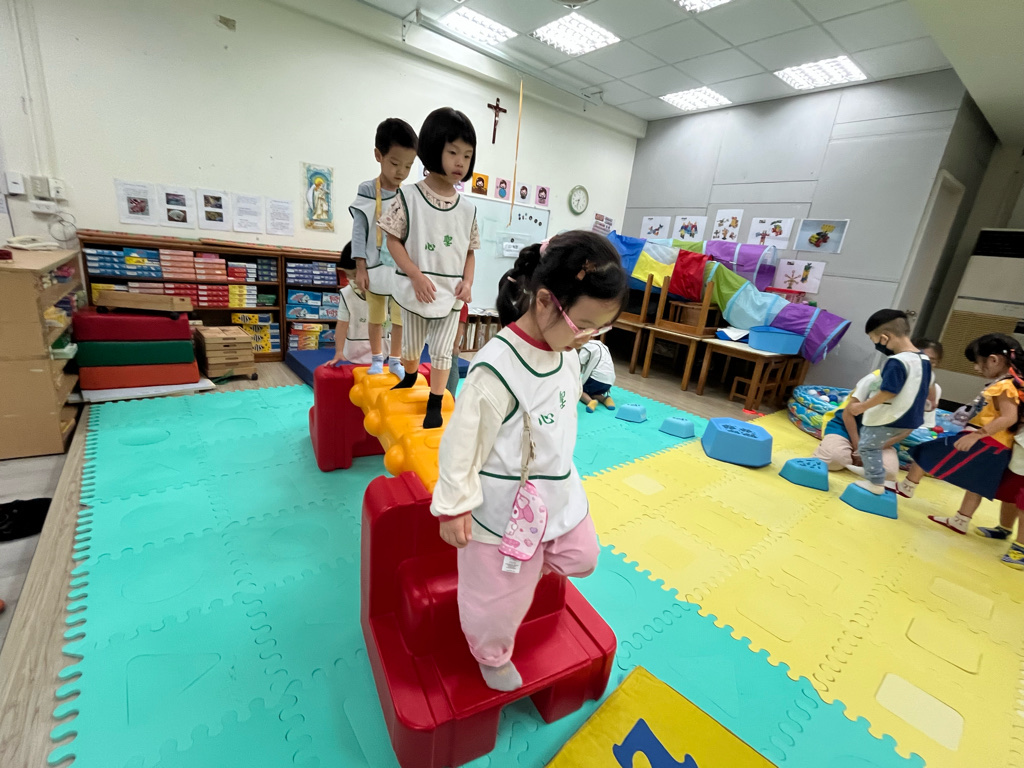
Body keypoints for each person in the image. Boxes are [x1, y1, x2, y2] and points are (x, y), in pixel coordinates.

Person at [431, 231, 628, 692]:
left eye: (599, 330)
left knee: (584, 557)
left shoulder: (565, 351)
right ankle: (490, 654)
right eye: (583, 325)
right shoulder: (495, 369)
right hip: (503, 506)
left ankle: (530, 560)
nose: (587, 339)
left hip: (554, 491)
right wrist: (454, 505)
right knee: (493, 604)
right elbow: (461, 446)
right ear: (544, 301)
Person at [378, 107, 478, 429]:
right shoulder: (408, 196)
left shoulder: (468, 209)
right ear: (434, 149)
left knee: (442, 352)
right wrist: (415, 274)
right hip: (417, 290)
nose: (460, 162)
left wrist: (468, 282)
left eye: (467, 155)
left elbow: (470, 251)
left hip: (450, 295)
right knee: (410, 349)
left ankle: (435, 402)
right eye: (453, 153)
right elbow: (393, 240)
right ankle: (409, 376)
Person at [898, 334, 1024, 534]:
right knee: (976, 484)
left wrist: (977, 435)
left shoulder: (1005, 386)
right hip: (1001, 445)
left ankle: (907, 486)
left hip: (989, 441)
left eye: (979, 363)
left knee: (927, 450)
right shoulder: (1014, 384)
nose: (976, 368)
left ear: (994, 360)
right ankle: (961, 520)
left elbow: (1009, 418)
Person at [348, 118, 418, 377]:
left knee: (400, 318)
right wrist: (360, 267)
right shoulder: (367, 189)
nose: (401, 172)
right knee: (376, 316)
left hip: (399, 268)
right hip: (374, 265)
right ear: (378, 155)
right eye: (395, 163)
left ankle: (395, 360)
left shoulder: (409, 194)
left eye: (408, 166)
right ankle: (377, 358)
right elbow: (359, 230)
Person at [846, 310, 933, 495]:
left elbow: (888, 392)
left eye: (874, 340)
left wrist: (862, 407)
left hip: (892, 416)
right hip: (910, 418)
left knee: (867, 446)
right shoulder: (924, 359)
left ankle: (875, 482)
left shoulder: (897, 362)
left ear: (885, 337)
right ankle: (873, 472)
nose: (876, 345)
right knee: (874, 445)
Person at [814, 370, 906, 481]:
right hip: (847, 429)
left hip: (882, 437)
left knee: (888, 473)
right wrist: (858, 446)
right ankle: (843, 453)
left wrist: (873, 449)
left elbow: (907, 429)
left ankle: (855, 459)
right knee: (833, 459)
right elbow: (849, 413)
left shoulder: (916, 390)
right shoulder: (873, 380)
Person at [326, 243, 377, 367]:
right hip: (355, 354)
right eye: (347, 275)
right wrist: (339, 351)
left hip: (383, 352)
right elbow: (342, 324)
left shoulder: (384, 292)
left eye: (354, 275)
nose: (352, 280)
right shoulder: (347, 294)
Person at [578, 336, 616, 413]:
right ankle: (605, 399)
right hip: (609, 382)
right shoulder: (603, 346)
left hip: (596, 380)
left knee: (579, 391)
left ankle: (590, 402)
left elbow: (579, 363)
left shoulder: (587, 347)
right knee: (593, 392)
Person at [913, 338, 944, 428]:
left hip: (920, 428)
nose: (925, 365)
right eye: (922, 359)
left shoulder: (935, 388)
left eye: (932, 362)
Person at [446, 303, 469, 397]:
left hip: (452, 341)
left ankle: (451, 395)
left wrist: (456, 344)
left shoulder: (462, 305)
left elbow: (461, 326)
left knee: (453, 360)